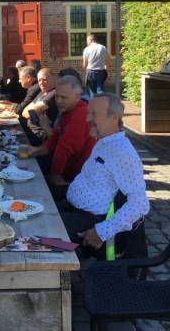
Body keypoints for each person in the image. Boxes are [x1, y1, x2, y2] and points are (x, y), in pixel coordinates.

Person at [60, 93, 149, 252]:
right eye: (88, 113)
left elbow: (139, 204)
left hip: (88, 222)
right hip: (73, 209)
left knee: (37, 230)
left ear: (114, 117)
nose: (87, 119)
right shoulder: (103, 141)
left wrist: (101, 232)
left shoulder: (122, 152)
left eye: (94, 114)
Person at [29, 75, 96, 189]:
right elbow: (53, 140)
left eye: (63, 98)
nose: (58, 101)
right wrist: (34, 151)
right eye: (56, 96)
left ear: (77, 96)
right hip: (65, 170)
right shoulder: (67, 110)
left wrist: (55, 176)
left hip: (75, 178)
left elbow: (63, 148)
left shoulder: (81, 113)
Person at [21, 68, 58, 145]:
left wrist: (33, 109)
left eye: (44, 80)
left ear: (53, 79)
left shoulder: (53, 94)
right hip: (32, 132)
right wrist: (33, 109)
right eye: (39, 80)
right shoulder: (42, 93)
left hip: (41, 136)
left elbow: (30, 113)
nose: (41, 83)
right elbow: (24, 112)